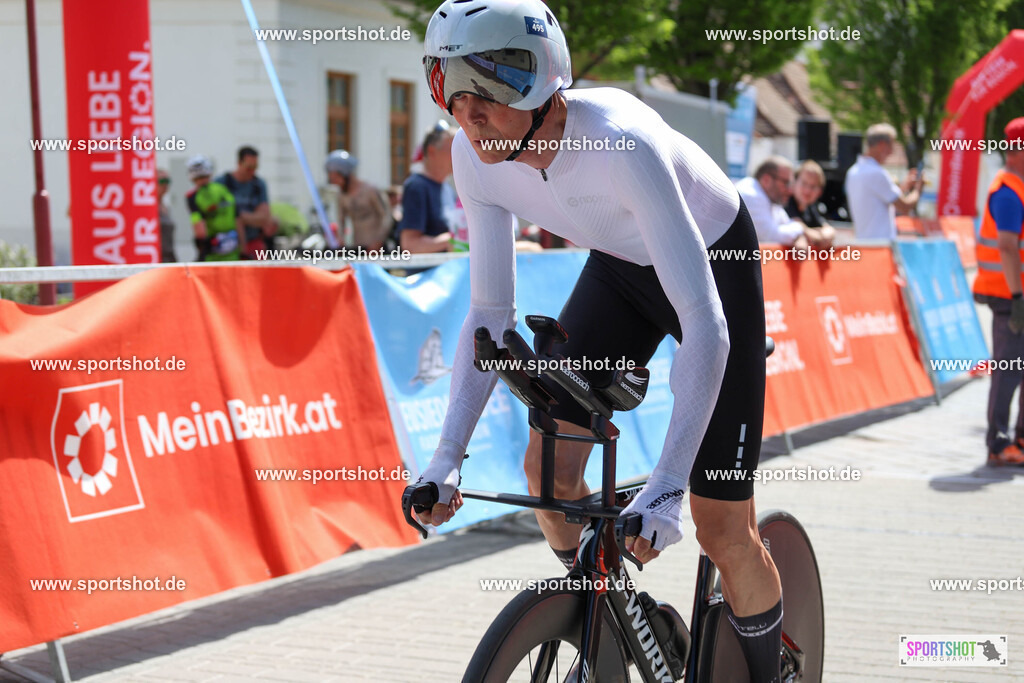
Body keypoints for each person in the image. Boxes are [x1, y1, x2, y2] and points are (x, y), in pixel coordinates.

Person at [412, 1, 782, 680]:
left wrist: (668, 484)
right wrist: (446, 457)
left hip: (712, 264)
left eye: (485, 93)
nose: (469, 116)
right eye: (450, 92)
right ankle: (614, 611)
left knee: (722, 525)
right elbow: (490, 315)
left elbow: (704, 324)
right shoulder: (475, 155)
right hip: (621, 268)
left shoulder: (622, 143)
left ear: (537, 85)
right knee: (547, 474)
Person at [973, 117, 1024, 467]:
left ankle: (1017, 438)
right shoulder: (1007, 192)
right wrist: (1018, 297)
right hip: (1010, 298)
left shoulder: (1016, 187)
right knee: (1008, 370)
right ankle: (999, 442)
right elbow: (1007, 247)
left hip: (1014, 295)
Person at [844, 123, 923, 239]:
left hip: (863, 243)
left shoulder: (853, 171)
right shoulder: (877, 173)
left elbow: (880, 198)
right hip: (880, 245)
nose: (891, 152)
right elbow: (905, 206)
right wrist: (918, 189)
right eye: (891, 146)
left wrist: (905, 186)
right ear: (882, 145)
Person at [399, 121, 458, 253]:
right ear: (432, 151)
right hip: (428, 273)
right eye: (453, 150)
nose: (458, 155)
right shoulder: (416, 187)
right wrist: (454, 239)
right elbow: (410, 245)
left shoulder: (447, 188)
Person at [735, 156, 811, 249]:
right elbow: (771, 236)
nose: (790, 190)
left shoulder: (770, 198)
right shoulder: (750, 195)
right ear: (766, 180)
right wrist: (800, 228)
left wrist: (800, 236)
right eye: (786, 182)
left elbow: (787, 224)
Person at [216, 146, 277, 259]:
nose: (253, 171)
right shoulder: (222, 183)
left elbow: (265, 217)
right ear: (239, 163)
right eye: (249, 167)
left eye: (255, 167)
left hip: (253, 242)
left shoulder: (258, 184)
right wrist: (252, 218)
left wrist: (241, 217)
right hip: (227, 244)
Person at [324, 150, 390, 249]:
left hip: (378, 247)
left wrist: (379, 241)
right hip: (358, 247)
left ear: (345, 174)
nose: (335, 183)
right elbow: (341, 220)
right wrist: (340, 240)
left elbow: (386, 216)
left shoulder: (370, 190)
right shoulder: (342, 196)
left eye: (336, 178)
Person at [185, 155, 244, 261]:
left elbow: (200, 230)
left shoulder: (193, 196)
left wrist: (201, 249)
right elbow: (237, 219)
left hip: (212, 254)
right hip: (233, 252)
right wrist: (243, 249)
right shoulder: (223, 190)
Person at [786, 160, 836, 249]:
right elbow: (798, 227)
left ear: (820, 192)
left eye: (813, 186)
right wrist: (818, 236)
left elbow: (828, 229)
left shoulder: (811, 207)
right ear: (794, 182)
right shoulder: (785, 203)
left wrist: (823, 234)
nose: (807, 190)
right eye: (804, 183)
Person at [157, 168, 177, 262]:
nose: (165, 185)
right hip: (157, 256)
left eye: (167, 181)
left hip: (169, 256)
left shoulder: (165, 206)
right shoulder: (148, 208)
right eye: (162, 181)